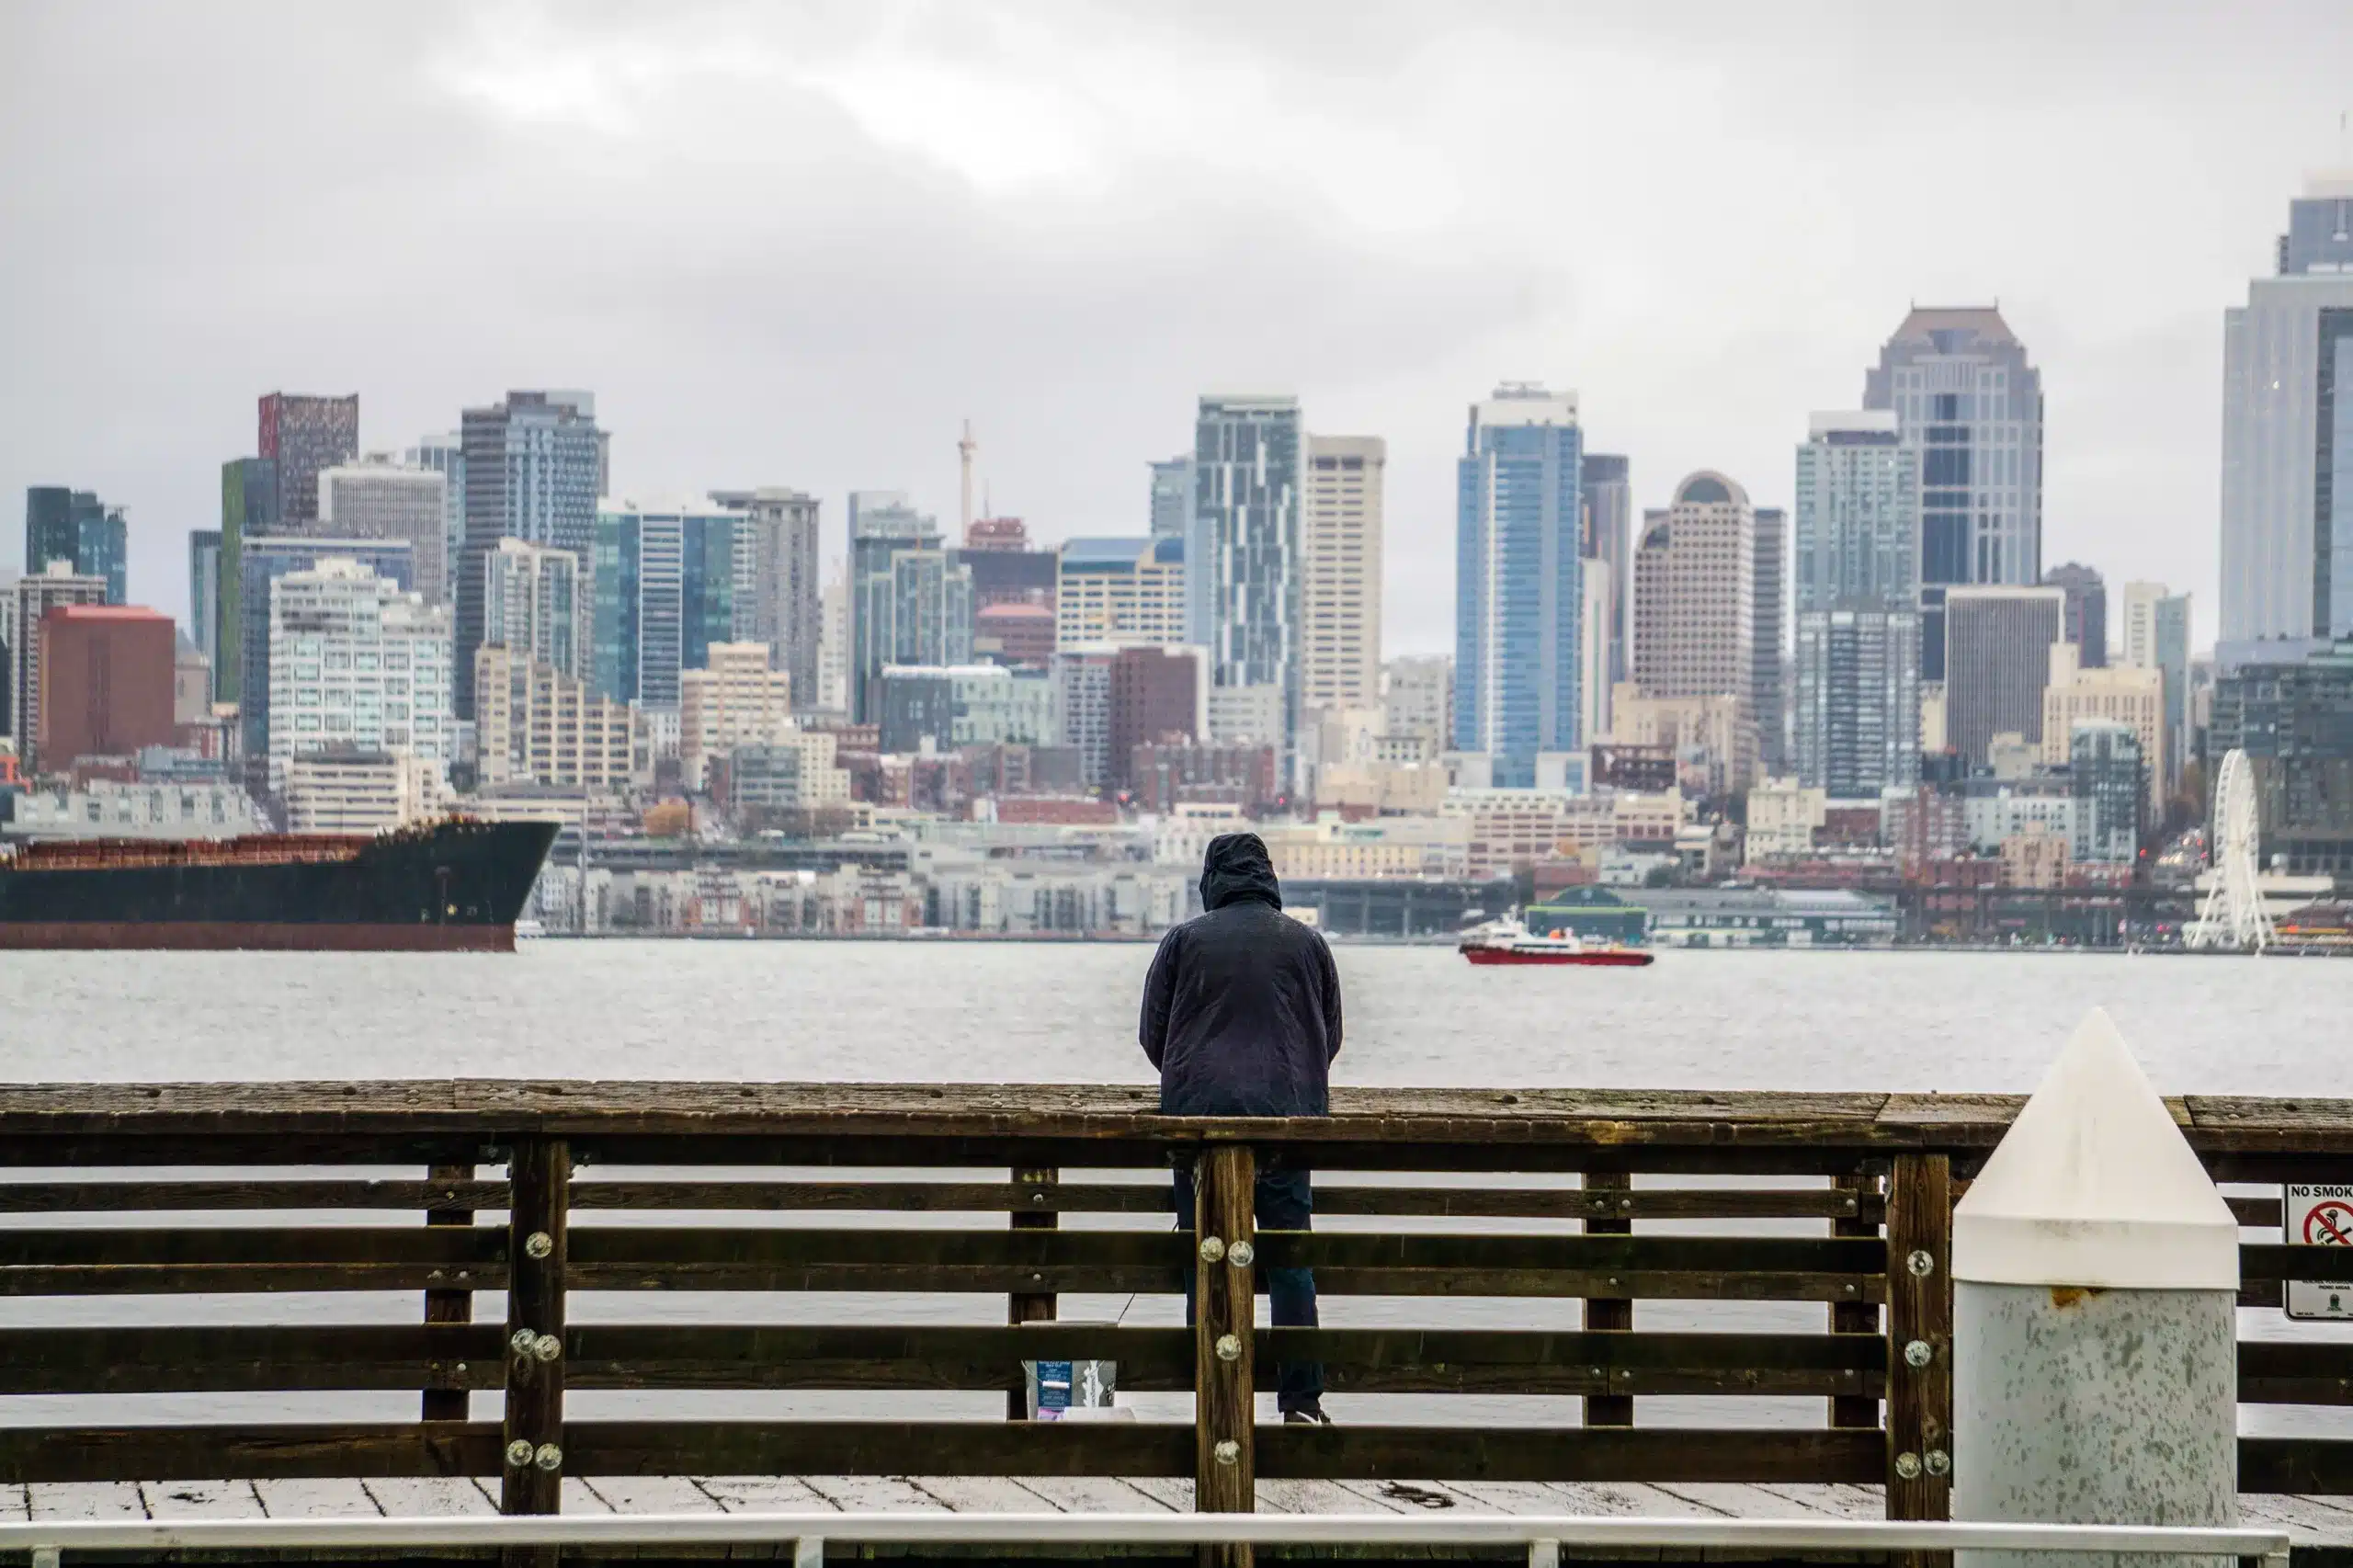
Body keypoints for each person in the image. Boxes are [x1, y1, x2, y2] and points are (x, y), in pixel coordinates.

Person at [1139, 831, 1342, 1425]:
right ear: (1267, 877)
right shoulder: (1307, 944)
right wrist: (1291, 1084)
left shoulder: (1183, 942)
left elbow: (1154, 1036)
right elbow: (1328, 1036)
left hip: (1199, 1129)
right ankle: (1300, 1399)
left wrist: (1197, 1081)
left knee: (1206, 1256)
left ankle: (1216, 1398)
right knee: (1289, 1259)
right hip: (1287, 1128)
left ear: (1212, 880)